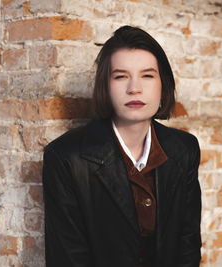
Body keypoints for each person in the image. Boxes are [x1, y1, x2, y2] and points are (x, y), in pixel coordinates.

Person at [42, 25, 202, 267]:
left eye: (147, 75)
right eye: (120, 76)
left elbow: (187, 244)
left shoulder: (184, 148)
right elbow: (67, 258)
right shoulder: (65, 158)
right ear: (105, 86)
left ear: (163, 85)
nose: (134, 88)